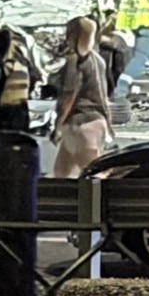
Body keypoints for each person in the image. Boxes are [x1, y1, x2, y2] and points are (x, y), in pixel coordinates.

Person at [51, 16, 114, 177]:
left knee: (94, 174)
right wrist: (108, 121)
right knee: (61, 172)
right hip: (95, 120)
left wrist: (58, 125)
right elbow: (102, 92)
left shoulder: (75, 62)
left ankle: (105, 201)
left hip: (80, 122)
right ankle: (58, 201)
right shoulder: (96, 59)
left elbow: (69, 95)